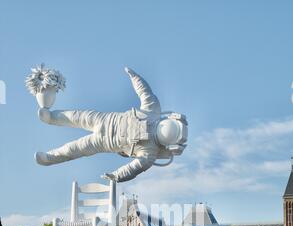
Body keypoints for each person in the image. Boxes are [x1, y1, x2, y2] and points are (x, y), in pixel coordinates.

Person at [35, 68, 188, 182]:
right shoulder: (152, 113)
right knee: (75, 117)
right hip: (104, 120)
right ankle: (50, 117)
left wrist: (116, 176)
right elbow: (145, 92)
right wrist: (134, 76)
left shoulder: (150, 151)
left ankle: (48, 158)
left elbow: (133, 169)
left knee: (73, 148)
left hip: (103, 142)